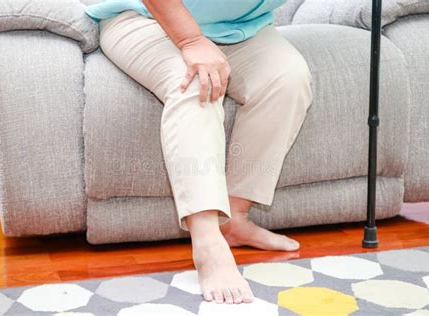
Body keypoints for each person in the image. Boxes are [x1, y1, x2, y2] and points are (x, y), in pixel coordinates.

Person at [85, 0, 314, 305]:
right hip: (149, 19)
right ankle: (207, 241)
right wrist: (191, 40)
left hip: (242, 29)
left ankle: (234, 218)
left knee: (288, 80)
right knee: (197, 86)